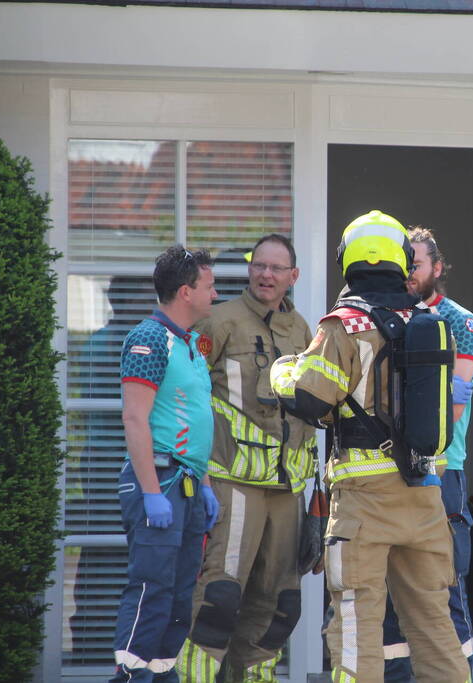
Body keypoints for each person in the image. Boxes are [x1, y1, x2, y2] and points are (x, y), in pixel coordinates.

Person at [270, 210, 470, 682]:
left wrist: (282, 370)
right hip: (425, 497)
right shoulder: (429, 321)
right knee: (435, 626)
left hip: (365, 501)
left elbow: (310, 399)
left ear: (348, 260)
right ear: (401, 261)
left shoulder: (343, 326)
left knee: (356, 629)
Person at [177, 234, 318, 683]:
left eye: (276, 268)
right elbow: (186, 396)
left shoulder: (304, 330)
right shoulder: (218, 322)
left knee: (279, 605)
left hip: (288, 490)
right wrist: (195, 472)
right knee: (218, 599)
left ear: (293, 276)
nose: (265, 275)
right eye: (259, 265)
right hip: (232, 484)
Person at [110, 245, 220, 683]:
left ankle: (161, 674)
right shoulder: (150, 339)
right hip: (159, 482)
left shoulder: (190, 343)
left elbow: (194, 421)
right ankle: (130, 676)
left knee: (178, 596)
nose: (215, 294)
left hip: (187, 483)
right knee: (151, 589)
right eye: (209, 286)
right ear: (185, 291)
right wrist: (152, 493)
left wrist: (205, 485)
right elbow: (134, 418)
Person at [381, 227, 473, 681]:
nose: (408, 273)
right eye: (403, 264)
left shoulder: (459, 321)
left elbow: (451, 410)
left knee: (446, 589)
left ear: (437, 268)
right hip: (389, 473)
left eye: (416, 264)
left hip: (443, 473)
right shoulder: (385, 316)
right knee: (389, 599)